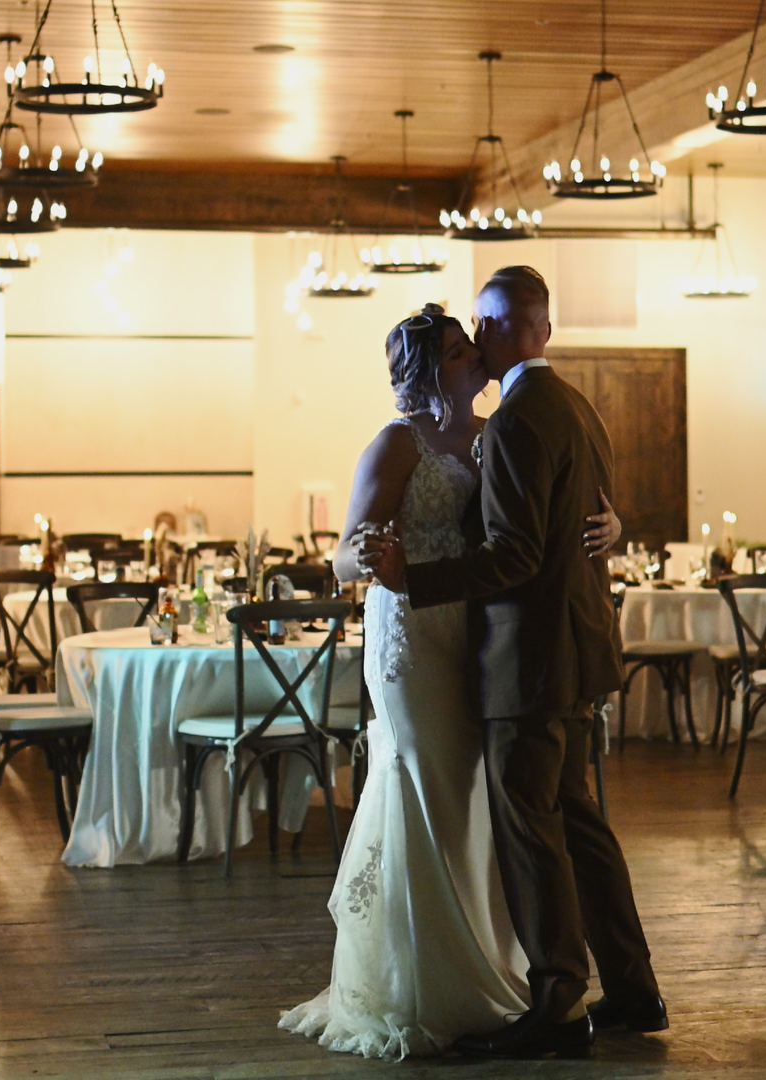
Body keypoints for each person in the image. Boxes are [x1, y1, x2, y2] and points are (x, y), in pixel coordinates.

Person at [279, 303, 622, 1060]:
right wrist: (373, 556)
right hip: (410, 636)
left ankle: (482, 967)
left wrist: (613, 527)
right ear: (435, 367)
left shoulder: (492, 431)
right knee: (424, 791)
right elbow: (341, 558)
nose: (477, 355)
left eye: (475, 344)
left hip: (475, 638)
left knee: (471, 804)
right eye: (463, 348)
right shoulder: (398, 443)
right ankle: (417, 982)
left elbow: (541, 520)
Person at [364, 267, 665, 1061]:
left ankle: (559, 1003)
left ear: (501, 330)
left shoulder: (516, 421)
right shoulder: (576, 405)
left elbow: (518, 554)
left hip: (527, 662)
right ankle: (633, 989)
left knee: (533, 832)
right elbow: (581, 518)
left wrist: (414, 580)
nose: (473, 340)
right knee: (581, 826)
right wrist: (617, 526)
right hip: (576, 652)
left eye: (478, 327)